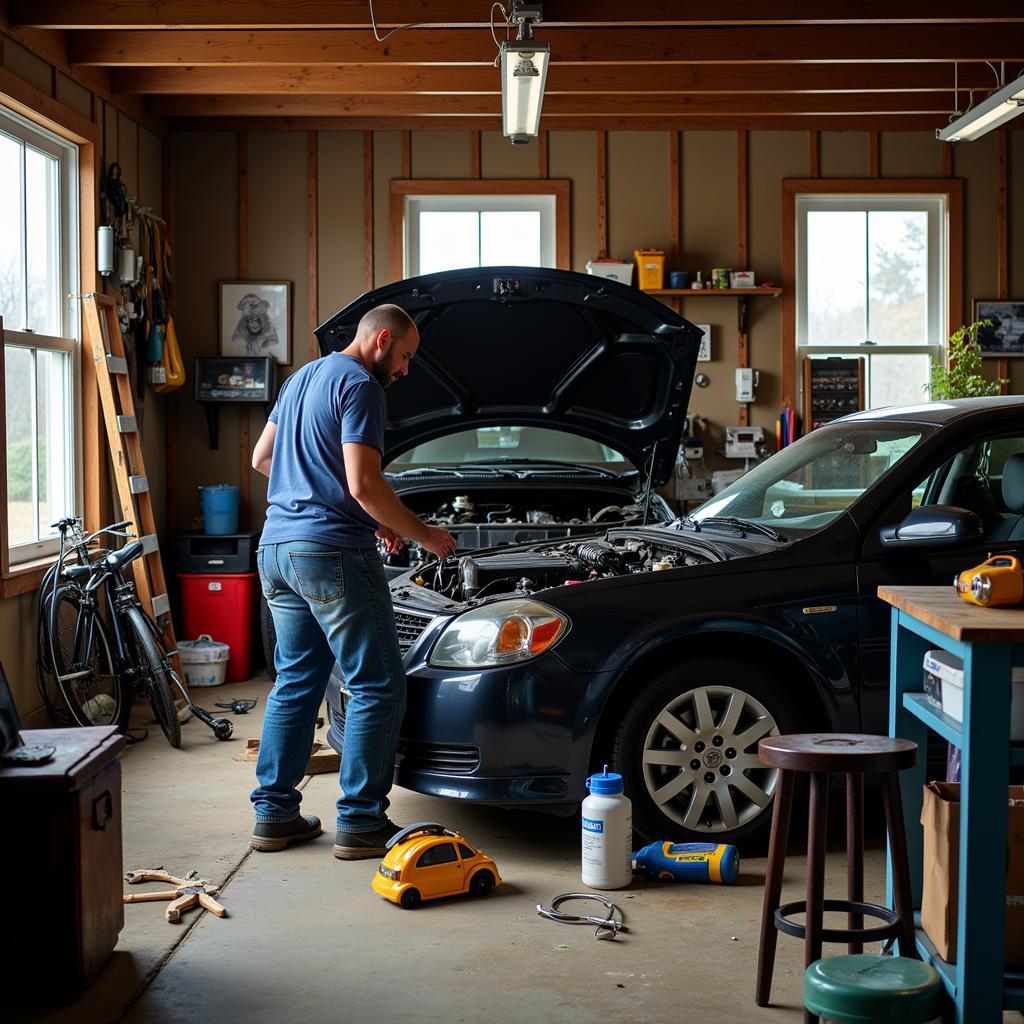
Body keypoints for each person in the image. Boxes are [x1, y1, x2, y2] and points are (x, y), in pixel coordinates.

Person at [248, 303, 456, 858]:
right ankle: (362, 821)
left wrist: (363, 515)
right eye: (407, 356)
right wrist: (421, 534)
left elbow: (262, 458)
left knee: (296, 681)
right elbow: (364, 483)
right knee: (377, 683)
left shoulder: (300, 379)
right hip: (331, 554)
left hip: (276, 548)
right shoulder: (362, 385)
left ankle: (274, 814)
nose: (407, 369)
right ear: (382, 339)